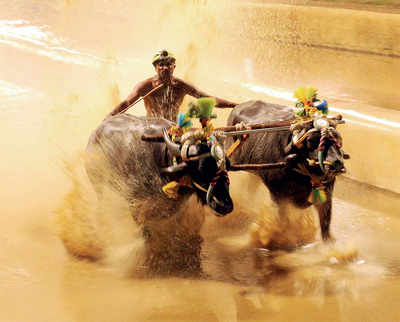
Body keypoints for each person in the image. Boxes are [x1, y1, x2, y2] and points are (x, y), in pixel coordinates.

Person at [105, 50, 238, 122]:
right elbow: (127, 102)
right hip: (150, 127)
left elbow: (209, 99)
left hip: (173, 128)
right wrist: (109, 117)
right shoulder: (146, 86)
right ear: (155, 68)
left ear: (174, 67)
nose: (165, 68)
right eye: (161, 65)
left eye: (169, 64)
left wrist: (235, 105)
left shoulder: (181, 86)